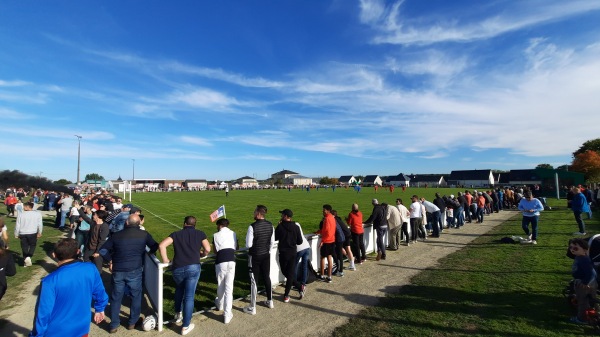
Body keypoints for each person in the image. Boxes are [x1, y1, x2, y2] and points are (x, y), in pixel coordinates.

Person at [29, 238, 108, 337]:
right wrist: (100, 309)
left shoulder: (50, 281)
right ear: (78, 251)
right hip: (81, 328)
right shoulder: (90, 268)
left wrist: (37, 335)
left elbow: (43, 313)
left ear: (54, 255)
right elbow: (100, 291)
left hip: (57, 331)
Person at [99, 214, 159, 333]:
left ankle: (114, 324)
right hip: (134, 269)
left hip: (119, 270)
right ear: (139, 223)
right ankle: (132, 322)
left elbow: (103, 250)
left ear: (126, 223)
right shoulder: (143, 234)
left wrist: (110, 260)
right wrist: (144, 255)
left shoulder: (116, 236)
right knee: (135, 296)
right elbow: (155, 246)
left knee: (116, 297)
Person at [159, 216, 211, 334]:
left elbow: (162, 245)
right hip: (193, 267)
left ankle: (178, 314)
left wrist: (165, 260)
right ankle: (185, 326)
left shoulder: (176, 234)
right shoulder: (200, 233)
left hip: (178, 267)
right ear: (195, 224)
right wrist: (202, 254)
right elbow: (208, 248)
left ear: (184, 224)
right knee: (189, 296)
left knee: (179, 290)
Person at [244, 205, 275, 315]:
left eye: (254, 212)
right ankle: (270, 301)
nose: (253, 213)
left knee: (254, 280)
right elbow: (272, 242)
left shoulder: (252, 227)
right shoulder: (270, 225)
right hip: (266, 255)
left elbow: (248, 244)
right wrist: (267, 251)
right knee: (266, 276)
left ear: (258, 213)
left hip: (255, 256)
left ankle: (252, 307)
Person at [275, 209, 303, 302]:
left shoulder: (280, 226)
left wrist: (278, 226)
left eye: (282, 214)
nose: (281, 216)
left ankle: (286, 295)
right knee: (289, 273)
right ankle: (299, 286)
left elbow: (275, 237)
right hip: (292, 252)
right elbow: (300, 241)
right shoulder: (296, 227)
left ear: (286, 216)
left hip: (283, 252)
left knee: (286, 272)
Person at [213, 218, 237, 324]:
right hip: (231, 261)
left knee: (221, 285)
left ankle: (220, 304)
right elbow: (236, 247)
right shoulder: (233, 233)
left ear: (220, 225)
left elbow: (215, 251)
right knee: (228, 288)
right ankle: (227, 314)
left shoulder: (215, 235)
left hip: (221, 261)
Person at [568, 238, 597, 324]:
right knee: (591, 299)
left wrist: (585, 282)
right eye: (571, 247)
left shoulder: (584, 260)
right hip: (586, 282)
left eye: (575, 248)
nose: (572, 250)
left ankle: (582, 319)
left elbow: (591, 273)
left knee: (583, 302)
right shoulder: (580, 257)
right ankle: (595, 311)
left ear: (584, 250)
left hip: (584, 284)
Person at [14, 202, 43, 267]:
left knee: (24, 247)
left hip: (23, 233)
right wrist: (40, 232)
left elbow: (17, 225)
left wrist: (16, 233)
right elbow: (40, 224)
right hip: (32, 232)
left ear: (27, 207)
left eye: (24, 206)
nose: (23, 208)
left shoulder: (21, 214)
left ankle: (26, 260)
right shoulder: (37, 214)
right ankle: (28, 257)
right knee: (32, 245)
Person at [316, 204, 336, 283]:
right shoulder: (332, 217)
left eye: (324, 210)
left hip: (327, 241)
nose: (322, 211)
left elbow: (326, 231)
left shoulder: (327, 219)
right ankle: (329, 276)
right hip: (332, 240)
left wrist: (322, 241)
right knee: (329, 257)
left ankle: (322, 275)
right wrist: (319, 232)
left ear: (327, 210)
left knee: (322, 258)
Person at [295, 219, 311, 299]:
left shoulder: (291, 226)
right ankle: (303, 283)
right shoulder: (297, 223)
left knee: (294, 267)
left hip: (299, 248)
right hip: (306, 246)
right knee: (304, 266)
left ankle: (296, 284)